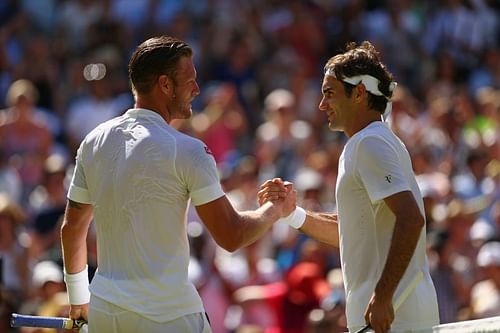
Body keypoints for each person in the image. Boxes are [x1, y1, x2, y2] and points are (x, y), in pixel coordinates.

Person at [60, 35, 294, 333]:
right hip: (169, 317)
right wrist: (275, 208)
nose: (197, 89)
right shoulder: (189, 151)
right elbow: (232, 236)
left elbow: (72, 228)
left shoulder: (93, 141)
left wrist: (79, 300)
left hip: (106, 312)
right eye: (190, 80)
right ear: (165, 85)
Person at [259, 41, 440, 333]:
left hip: (395, 317)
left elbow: (411, 219)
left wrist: (383, 296)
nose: (321, 104)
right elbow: (352, 232)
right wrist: (293, 214)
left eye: (329, 93)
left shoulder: (369, 143)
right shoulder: (369, 142)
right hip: (391, 316)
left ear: (358, 94)